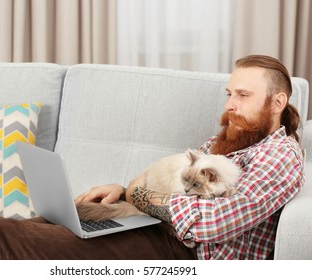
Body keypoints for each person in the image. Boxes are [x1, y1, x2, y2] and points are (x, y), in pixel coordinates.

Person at [75, 55, 305, 260]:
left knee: (44, 241)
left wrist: (135, 194)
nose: (229, 106)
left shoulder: (280, 154)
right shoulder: (231, 140)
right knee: (59, 222)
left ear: (278, 103)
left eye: (242, 95)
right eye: (229, 94)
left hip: (189, 254)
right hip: (159, 230)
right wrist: (122, 190)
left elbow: (214, 222)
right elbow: (183, 190)